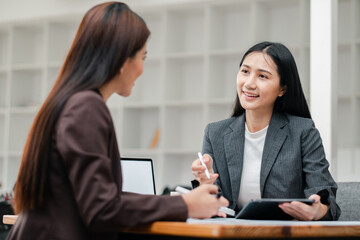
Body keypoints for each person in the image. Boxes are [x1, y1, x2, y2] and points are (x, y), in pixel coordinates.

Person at [7, 2, 229, 240]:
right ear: (122, 59)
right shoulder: (86, 107)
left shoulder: (70, 101)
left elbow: (104, 198)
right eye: (142, 57)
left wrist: (181, 203)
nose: (142, 69)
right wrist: (184, 205)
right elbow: (101, 208)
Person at [191, 41, 341, 221]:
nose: (249, 83)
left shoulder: (303, 131)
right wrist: (205, 184)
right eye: (245, 71)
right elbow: (216, 204)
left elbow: (326, 199)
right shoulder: (215, 133)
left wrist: (318, 210)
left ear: (282, 89)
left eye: (262, 76)